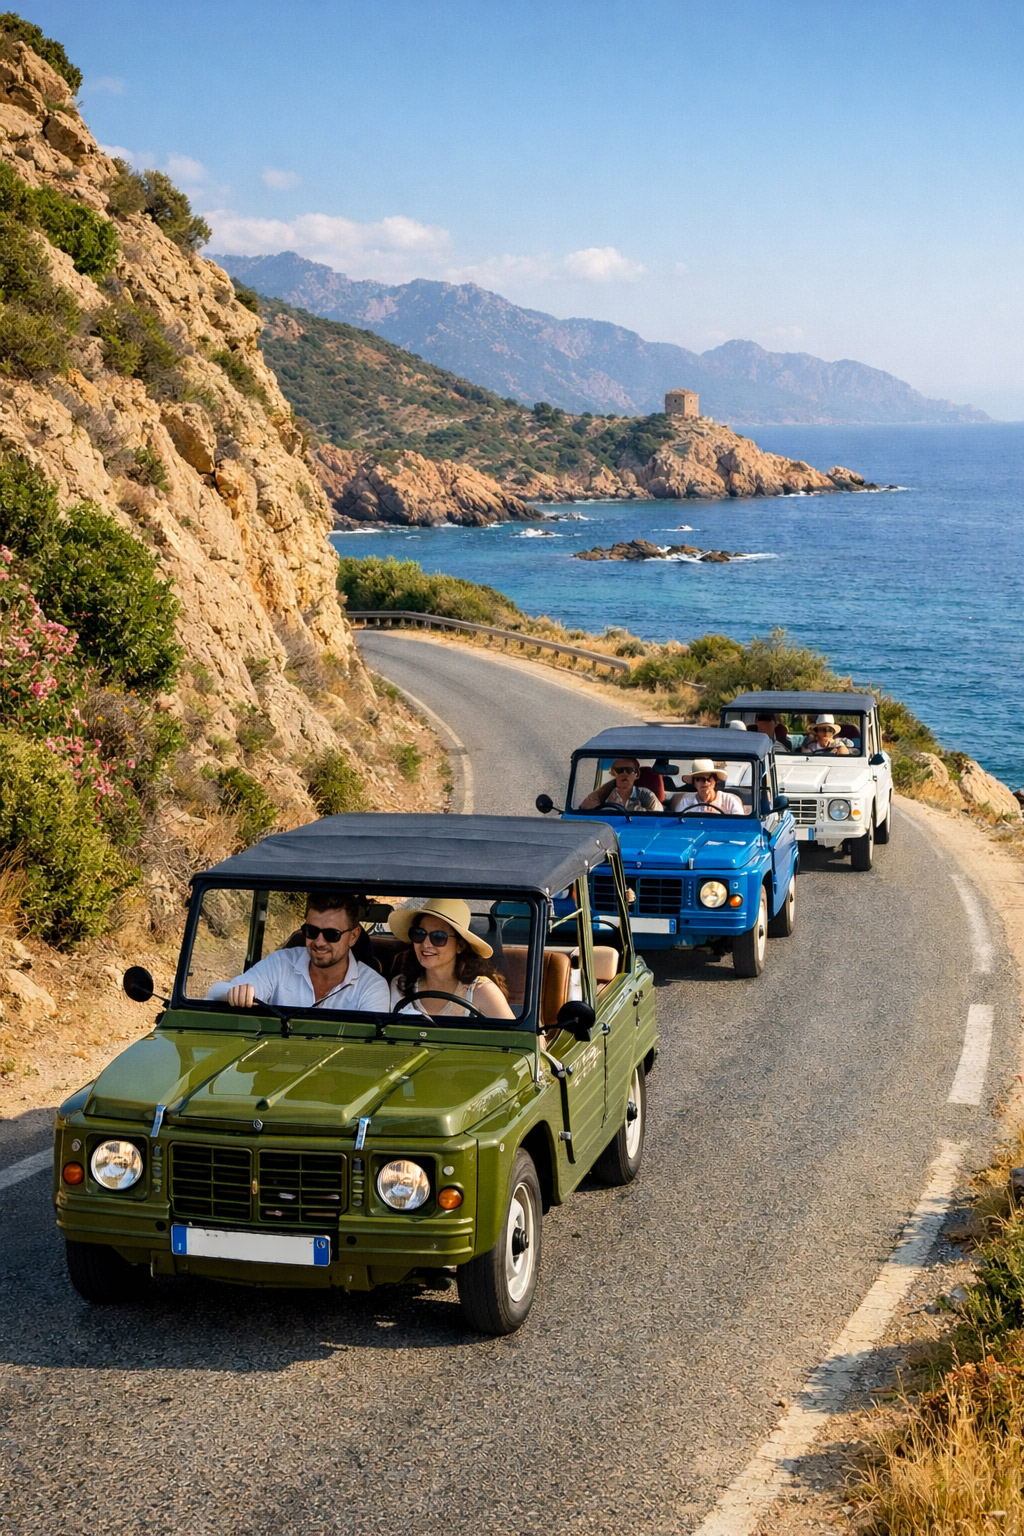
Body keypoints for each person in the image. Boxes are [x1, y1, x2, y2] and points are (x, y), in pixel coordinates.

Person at [208, 891, 391, 1011]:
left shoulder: (372, 987)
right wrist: (237, 993)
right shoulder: (280, 964)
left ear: (353, 936)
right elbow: (217, 992)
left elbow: (369, 1048)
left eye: (331, 934)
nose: (319, 942)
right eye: (311, 932)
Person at [388, 898, 514, 1019]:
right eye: (419, 934)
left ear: (460, 946)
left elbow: (514, 1038)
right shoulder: (400, 986)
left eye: (438, 937)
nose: (426, 944)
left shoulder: (481, 991)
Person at [579, 757, 662, 813]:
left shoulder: (646, 795)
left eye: (629, 770)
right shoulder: (605, 794)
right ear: (613, 773)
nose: (625, 774)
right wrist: (603, 791)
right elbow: (585, 809)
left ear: (637, 774)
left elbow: (658, 818)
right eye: (620, 770)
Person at [668, 758, 745, 814]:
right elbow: (679, 826)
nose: (705, 782)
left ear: (715, 780)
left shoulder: (729, 801)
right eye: (699, 779)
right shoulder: (685, 802)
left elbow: (740, 828)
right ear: (694, 783)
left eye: (709, 778)